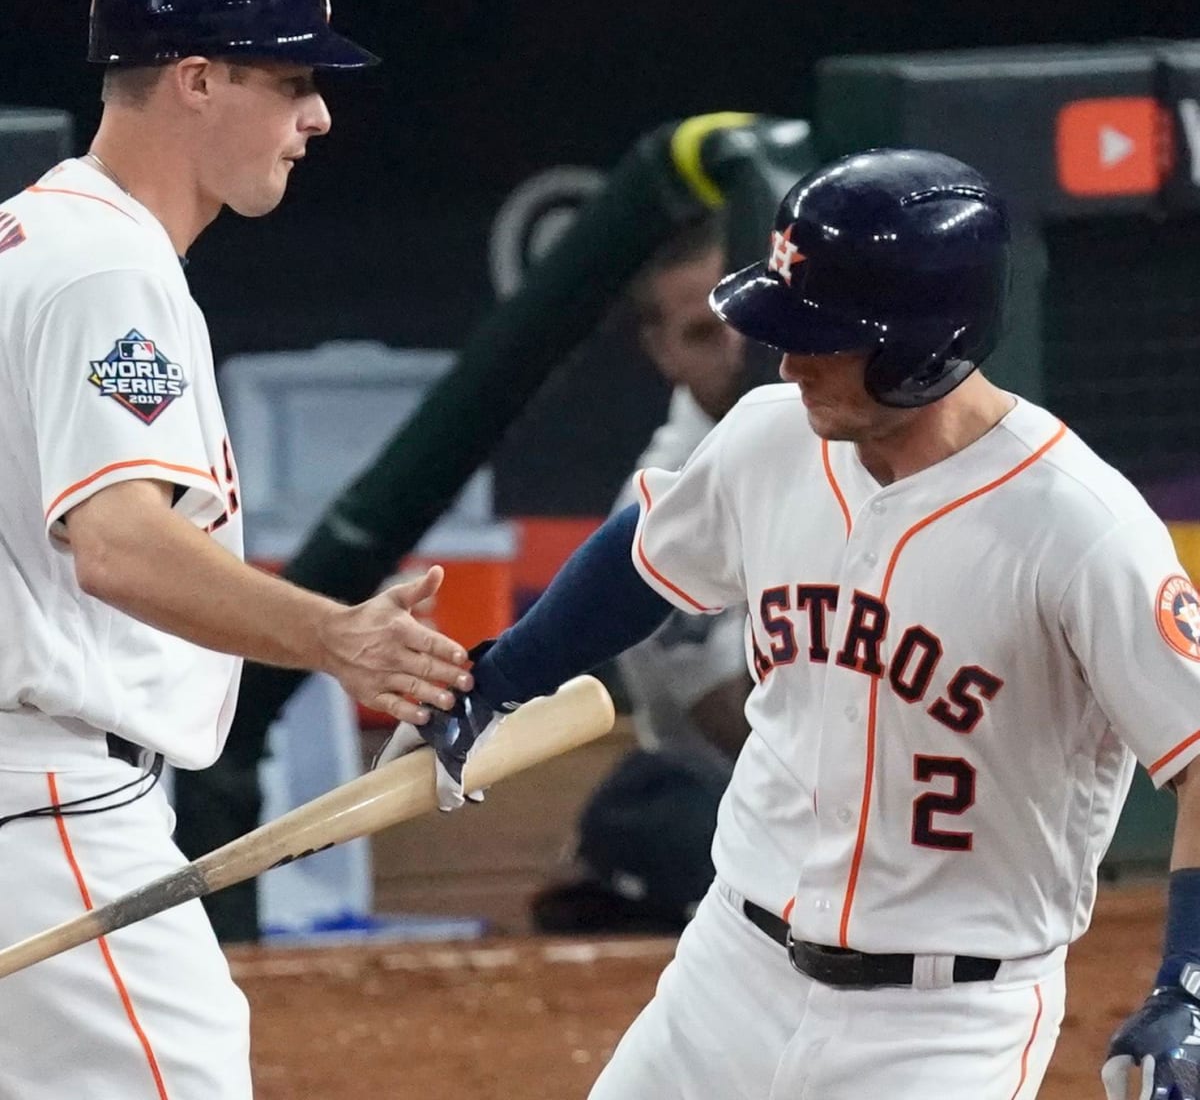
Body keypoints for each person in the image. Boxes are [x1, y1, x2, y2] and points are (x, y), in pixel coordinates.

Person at [385, 148, 1200, 1099]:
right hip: (730, 973)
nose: (786, 357)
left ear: (927, 343)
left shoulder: (1080, 529)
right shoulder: (772, 435)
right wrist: (497, 678)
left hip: (940, 1030)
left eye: (822, 336)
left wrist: (1188, 983)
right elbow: (649, 551)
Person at [0, 0, 471, 1100]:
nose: (315, 119)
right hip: (43, 801)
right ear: (196, 78)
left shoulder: (34, 237)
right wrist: (338, 637)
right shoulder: (105, 269)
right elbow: (115, 541)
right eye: (293, 80)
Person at [531, 213, 752, 934]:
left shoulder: (843, 430)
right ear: (662, 351)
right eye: (702, 333)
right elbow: (723, 707)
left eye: (744, 312)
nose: (737, 345)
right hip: (732, 815)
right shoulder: (666, 490)